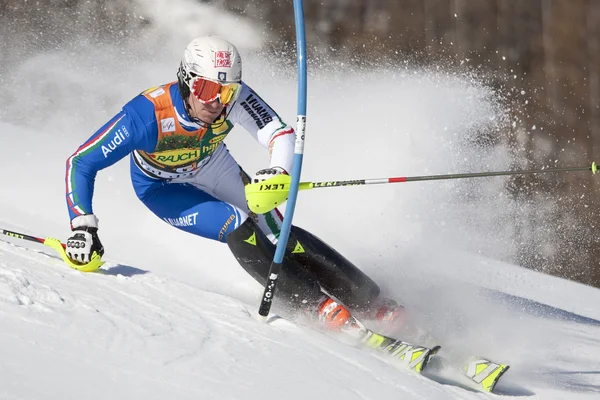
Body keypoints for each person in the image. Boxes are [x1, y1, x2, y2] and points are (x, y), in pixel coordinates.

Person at [64, 36, 403, 336]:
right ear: (186, 81)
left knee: (275, 228)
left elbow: (279, 133)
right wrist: (83, 227)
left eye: (226, 91)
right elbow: (81, 162)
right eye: (208, 90)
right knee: (239, 226)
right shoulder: (147, 114)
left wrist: (277, 171)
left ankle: (373, 302)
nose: (217, 103)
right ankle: (320, 309)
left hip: (213, 165)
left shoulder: (234, 98)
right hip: (163, 186)